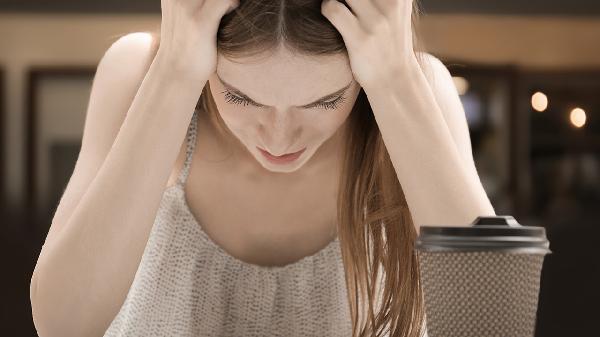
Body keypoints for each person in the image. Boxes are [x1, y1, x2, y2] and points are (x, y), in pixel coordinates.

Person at [30, 0, 495, 336]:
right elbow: (63, 324)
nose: (278, 139)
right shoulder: (140, 73)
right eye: (239, 96)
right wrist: (174, 71)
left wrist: (396, 80)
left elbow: (492, 323)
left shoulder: (416, 90)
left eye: (325, 100)